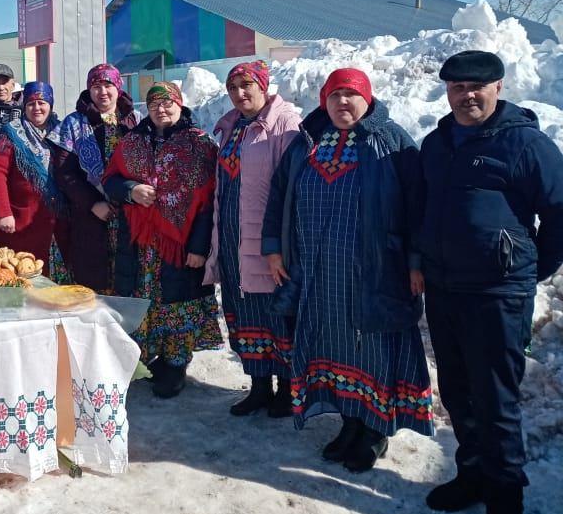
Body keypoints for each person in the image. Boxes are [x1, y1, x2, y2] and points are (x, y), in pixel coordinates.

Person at [418, 51, 563, 514]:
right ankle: (473, 473)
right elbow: (422, 209)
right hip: (444, 290)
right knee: (458, 392)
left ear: (498, 86)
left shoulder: (525, 143)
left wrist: (527, 270)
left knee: (496, 400)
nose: (467, 95)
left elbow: (560, 211)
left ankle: (506, 498)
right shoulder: (436, 144)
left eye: (477, 86)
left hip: (497, 295)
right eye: (457, 86)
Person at [262, 68, 432, 472]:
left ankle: (374, 430)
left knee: (371, 348)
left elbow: (418, 206)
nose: (343, 103)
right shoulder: (306, 141)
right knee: (332, 345)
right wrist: (274, 250)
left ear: (367, 98)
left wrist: (416, 262)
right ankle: (349, 422)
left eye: (351, 95)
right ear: (324, 99)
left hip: (374, 272)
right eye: (335, 95)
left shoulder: (391, 141)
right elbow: (279, 195)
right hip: (319, 274)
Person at [102, 82, 219, 398]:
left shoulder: (200, 145)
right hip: (140, 244)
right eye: (154, 104)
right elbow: (110, 181)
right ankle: (150, 358)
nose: (161, 109)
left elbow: (209, 201)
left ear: (180, 105)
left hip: (178, 243)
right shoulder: (132, 142)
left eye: (168, 103)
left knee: (177, 303)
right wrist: (131, 190)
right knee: (146, 303)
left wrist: (198, 247)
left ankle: (176, 365)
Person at [204, 60, 301, 417]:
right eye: (234, 88)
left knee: (275, 314)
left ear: (264, 85)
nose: (240, 94)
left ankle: (288, 390)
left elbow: (292, 188)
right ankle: (259, 386)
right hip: (231, 236)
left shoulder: (285, 124)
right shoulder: (231, 127)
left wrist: (283, 243)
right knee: (244, 314)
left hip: (267, 239)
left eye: (247, 85)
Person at [50, 63, 137, 292]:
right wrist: (92, 203)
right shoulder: (74, 123)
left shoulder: (133, 120)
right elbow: (64, 172)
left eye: (108, 85)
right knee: (92, 277)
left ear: (118, 87)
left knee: (128, 276)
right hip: (89, 214)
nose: (102, 92)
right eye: (96, 86)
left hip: (130, 213)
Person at [0, 81, 65, 270]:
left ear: (50, 105)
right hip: (21, 217)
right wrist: (4, 213)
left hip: (57, 218)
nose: (36, 108)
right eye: (31, 103)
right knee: (21, 270)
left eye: (42, 103)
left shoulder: (61, 131)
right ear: (24, 107)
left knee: (54, 276)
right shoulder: (11, 133)